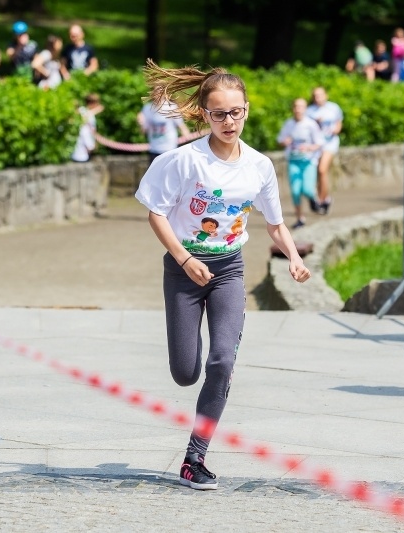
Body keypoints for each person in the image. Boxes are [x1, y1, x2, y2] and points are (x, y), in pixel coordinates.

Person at [134, 59, 311, 490]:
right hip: (184, 270)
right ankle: (188, 350)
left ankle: (195, 458)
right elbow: (155, 212)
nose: (228, 121)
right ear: (204, 114)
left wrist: (293, 256)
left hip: (229, 269)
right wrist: (181, 257)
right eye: (218, 113)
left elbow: (274, 221)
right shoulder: (182, 162)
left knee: (222, 362)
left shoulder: (259, 166)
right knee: (185, 370)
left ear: (247, 110)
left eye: (235, 112)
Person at [277, 98, 325, 228]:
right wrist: (285, 141)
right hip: (293, 161)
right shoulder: (289, 124)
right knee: (295, 191)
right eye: (296, 106)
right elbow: (281, 139)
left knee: (308, 190)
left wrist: (309, 147)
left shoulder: (310, 124)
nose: (298, 109)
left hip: (308, 161)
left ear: (305, 109)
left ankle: (313, 197)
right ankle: (300, 218)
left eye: (301, 107)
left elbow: (320, 142)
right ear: (293, 108)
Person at [306, 86, 342, 215]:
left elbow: (338, 124)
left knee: (322, 170)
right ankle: (325, 198)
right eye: (315, 95)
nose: (318, 98)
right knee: (317, 172)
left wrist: (335, 130)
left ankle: (321, 201)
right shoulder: (309, 111)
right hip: (315, 145)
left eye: (320, 95)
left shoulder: (334, 108)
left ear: (326, 95)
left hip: (329, 143)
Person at [137, 99, 191, 165]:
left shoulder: (171, 107)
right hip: (154, 148)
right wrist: (141, 123)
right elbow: (144, 130)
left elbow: (181, 125)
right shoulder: (147, 108)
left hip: (170, 148)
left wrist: (187, 139)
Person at [71, 93, 104, 162]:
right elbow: (84, 131)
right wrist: (90, 145)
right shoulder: (83, 111)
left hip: (86, 149)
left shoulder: (89, 113)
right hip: (81, 151)